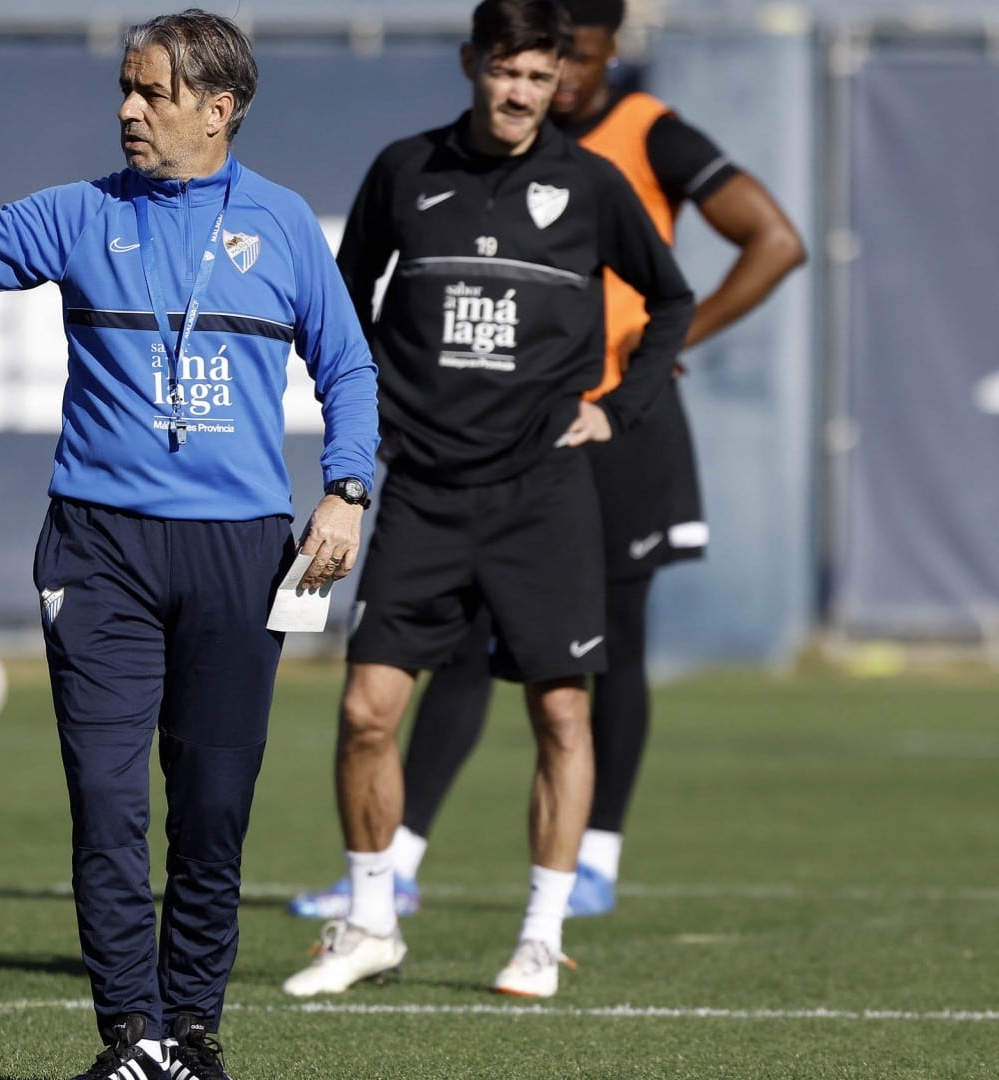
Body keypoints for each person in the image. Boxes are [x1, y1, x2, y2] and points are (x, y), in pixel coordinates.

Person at [0, 10, 378, 1078]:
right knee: (104, 804)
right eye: (124, 91)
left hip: (240, 554)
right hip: (99, 554)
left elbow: (351, 370)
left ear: (219, 109)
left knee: (215, 812)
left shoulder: (281, 228)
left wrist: (347, 488)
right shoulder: (80, 213)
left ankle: (192, 1037)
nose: (130, 111)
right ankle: (130, 1039)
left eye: (154, 94)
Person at [289, 0, 805, 926]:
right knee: (440, 660)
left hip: (592, 435)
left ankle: (590, 860)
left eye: (565, 66)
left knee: (598, 656)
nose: (552, 86)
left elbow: (771, 245)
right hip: (459, 449)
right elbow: (349, 290)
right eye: (522, 68)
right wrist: (373, 407)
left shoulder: (645, 140)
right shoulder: (424, 165)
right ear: (481, 63)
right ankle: (393, 866)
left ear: (594, 54)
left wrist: (654, 363)